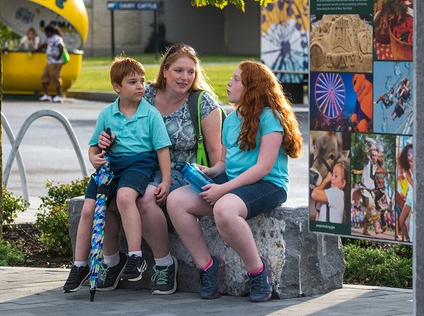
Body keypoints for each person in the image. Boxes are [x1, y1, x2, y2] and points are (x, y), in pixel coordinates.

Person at [165, 60, 303, 302]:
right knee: (176, 200)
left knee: (224, 209)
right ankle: (207, 266)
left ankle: (257, 271)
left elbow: (263, 167)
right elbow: (225, 165)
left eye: (237, 79)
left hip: (268, 184)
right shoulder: (230, 119)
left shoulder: (271, 117)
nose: (229, 83)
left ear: (252, 87)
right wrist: (208, 171)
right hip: (234, 181)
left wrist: (223, 189)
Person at [96, 43, 223, 295]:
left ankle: (164, 264)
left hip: (181, 171)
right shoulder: (145, 94)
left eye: (190, 71)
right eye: (178, 70)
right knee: (107, 199)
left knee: (145, 200)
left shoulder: (203, 103)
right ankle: (112, 261)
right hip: (138, 165)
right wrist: (103, 139)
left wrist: (213, 178)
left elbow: (217, 156)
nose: (184, 77)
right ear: (165, 71)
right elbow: (116, 121)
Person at [63, 57, 172, 294]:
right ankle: (80, 265)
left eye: (142, 81)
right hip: (111, 167)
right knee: (89, 209)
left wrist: (165, 180)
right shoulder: (107, 114)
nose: (140, 86)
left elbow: (162, 150)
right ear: (117, 87)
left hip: (139, 164)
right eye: (133, 82)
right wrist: (95, 158)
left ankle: (135, 257)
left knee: (124, 197)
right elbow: (93, 148)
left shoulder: (151, 115)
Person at [311, 158, 348, 224]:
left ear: (343, 183)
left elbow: (314, 194)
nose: (332, 178)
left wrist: (326, 179)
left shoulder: (337, 193)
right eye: (332, 174)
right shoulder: (330, 194)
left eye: (336, 176)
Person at [39, 24, 65, 102]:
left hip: (56, 62)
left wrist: (58, 56)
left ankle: (59, 96)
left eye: (46, 32)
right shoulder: (49, 39)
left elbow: (61, 47)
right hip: (49, 61)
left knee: (55, 77)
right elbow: (45, 45)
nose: (46, 34)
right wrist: (37, 49)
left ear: (49, 32)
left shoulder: (56, 38)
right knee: (44, 77)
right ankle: (47, 95)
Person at [397, 143, 413, 242]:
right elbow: (414, 186)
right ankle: (407, 240)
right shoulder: (407, 172)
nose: (411, 156)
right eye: (409, 154)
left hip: (418, 199)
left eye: (412, 153)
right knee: (401, 220)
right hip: (411, 198)